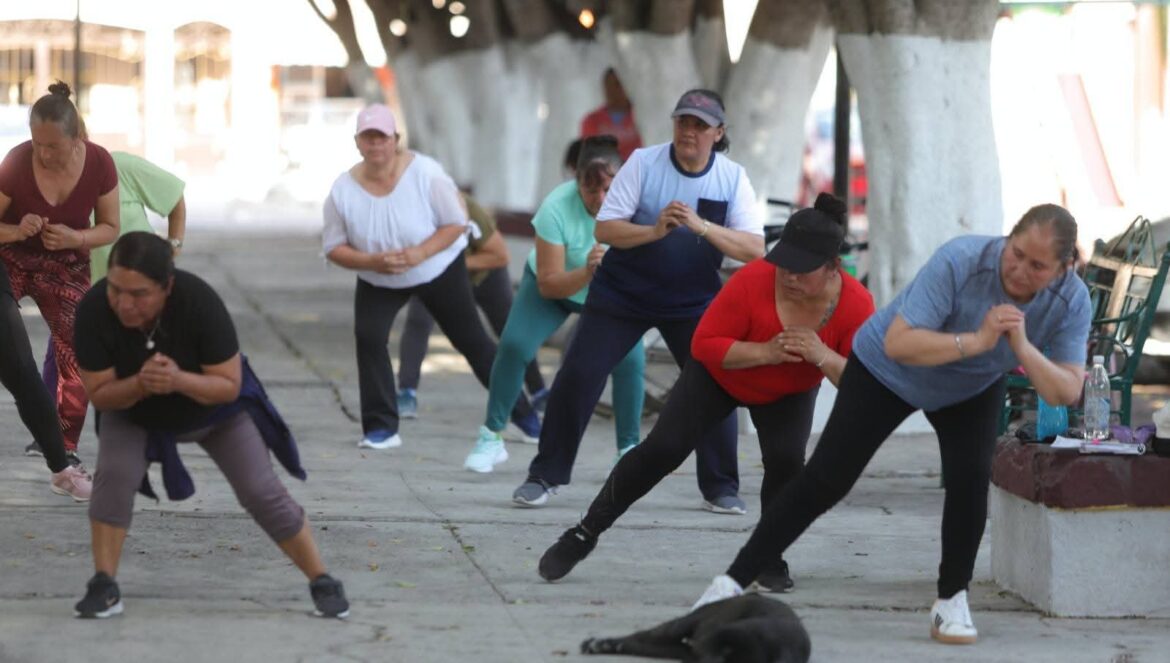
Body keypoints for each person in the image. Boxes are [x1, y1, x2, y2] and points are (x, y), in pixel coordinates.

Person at [691, 204, 1091, 646]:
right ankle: (729, 584)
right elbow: (899, 342)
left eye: (1037, 266)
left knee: (970, 480)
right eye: (1016, 253)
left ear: (1063, 269)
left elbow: (1066, 390)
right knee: (826, 480)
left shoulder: (1071, 301)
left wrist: (1022, 347)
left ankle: (951, 601)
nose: (1019, 270)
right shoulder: (962, 260)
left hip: (971, 387)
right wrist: (978, 340)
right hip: (886, 370)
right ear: (1007, 239)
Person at [537, 193, 874, 590]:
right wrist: (765, 352)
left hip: (788, 391)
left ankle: (768, 556)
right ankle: (584, 532)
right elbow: (704, 344)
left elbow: (862, 385)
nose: (789, 276)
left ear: (833, 267)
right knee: (664, 448)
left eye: (802, 269)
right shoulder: (753, 280)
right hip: (720, 375)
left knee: (786, 461)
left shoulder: (856, 305)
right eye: (784, 263)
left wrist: (822, 355)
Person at [71, 232, 349, 619]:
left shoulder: (198, 302)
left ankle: (322, 579)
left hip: (213, 410)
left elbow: (228, 385)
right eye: (116, 289)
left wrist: (177, 380)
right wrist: (140, 384)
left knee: (260, 489)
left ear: (167, 286)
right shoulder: (93, 310)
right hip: (132, 409)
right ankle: (104, 585)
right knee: (115, 476)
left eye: (139, 294)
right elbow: (101, 395)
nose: (124, 303)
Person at [512, 89, 765, 512]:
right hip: (623, 294)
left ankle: (721, 487)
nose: (689, 131)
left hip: (692, 300)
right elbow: (605, 229)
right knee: (578, 374)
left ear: (718, 133)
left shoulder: (732, 178)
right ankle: (545, 475)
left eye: (700, 125)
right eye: (683, 122)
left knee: (716, 382)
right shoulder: (643, 163)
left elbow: (754, 249)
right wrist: (654, 230)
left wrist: (701, 227)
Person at [322, 103, 535, 449]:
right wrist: (371, 261)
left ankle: (525, 418)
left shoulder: (425, 173)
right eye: (368, 138)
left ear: (395, 140)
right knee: (369, 336)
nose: (375, 144)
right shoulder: (342, 190)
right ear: (357, 142)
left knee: (472, 340)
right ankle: (381, 428)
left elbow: (456, 223)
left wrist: (421, 252)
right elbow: (333, 246)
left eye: (382, 137)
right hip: (379, 276)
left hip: (437, 268)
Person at [465, 136, 645, 474]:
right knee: (514, 345)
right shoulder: (555, 208)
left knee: (631, 360)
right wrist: (587, 272)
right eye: (590, 189)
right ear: (576, 181)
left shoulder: (639, 205)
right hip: (555, 287)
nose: (600, 198)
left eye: (608, 189)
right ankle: (492, 435)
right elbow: (549, 285)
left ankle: (628, 451)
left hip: (610, 297)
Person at [0, 81, 120, 497]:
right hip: (11, 258)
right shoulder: (17, 162)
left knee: (81, 346)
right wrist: (17, 230)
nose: (44, 154)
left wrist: (76, 238)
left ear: (78, 137)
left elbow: (110, 227)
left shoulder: (100, 163)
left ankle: (64, 451)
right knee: (14, 355)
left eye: (53, 146)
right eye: (37, 144)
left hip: (65, 263)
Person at [33, 146, 186, 455]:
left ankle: (155, 430)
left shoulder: (122, 166)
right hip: (81, 287)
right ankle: (53, 438)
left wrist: (173, 246)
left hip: (135, 288)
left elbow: (174, 198)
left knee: (143, 357)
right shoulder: (46, 180)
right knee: (61, 355)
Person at [395, 192, 545, 437]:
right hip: (437, 279)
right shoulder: (407, 213)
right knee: (418, 322)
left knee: (510, 331)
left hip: (484, 276)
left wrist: (449, 264)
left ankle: (538, 391)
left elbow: (500, 255)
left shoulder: (466, 207)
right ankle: (406, 392)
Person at [580, 68, 643, 162]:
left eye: (617, 84)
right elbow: (590, 159)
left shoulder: (641, 116)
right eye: (607, 86)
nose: (611, 90)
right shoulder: (591, 121)